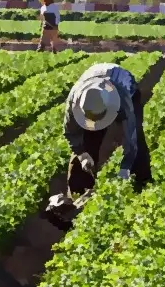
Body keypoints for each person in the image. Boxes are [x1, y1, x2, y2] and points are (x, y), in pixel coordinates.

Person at [62, 61, 152, 195]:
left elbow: (131, 137)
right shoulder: (75, 101)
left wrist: (125, 167)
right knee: (88, 143)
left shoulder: (123, 101)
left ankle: (141, 184)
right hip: (94, 78)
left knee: (137, 140)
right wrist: (82, 155)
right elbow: (71, 132)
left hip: (123, 86)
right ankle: (79, 192)